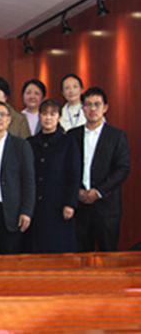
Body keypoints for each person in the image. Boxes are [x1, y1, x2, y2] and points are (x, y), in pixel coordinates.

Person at [67, 87, 130, 252]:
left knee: (108, 255)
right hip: (79, 206)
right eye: (88, 104)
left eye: (97, 104)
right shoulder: (72, 135)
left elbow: (122, 169)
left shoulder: (117, 136)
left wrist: (99, 191)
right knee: (80, 256)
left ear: (105, 108)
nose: (92, 109)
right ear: (83, 109)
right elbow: (66, 169)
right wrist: (77, 191)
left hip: (106, 207)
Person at [0, 101, 36, 255]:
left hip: (12, 212)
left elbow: (29, 181)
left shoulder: (21, 146)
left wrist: (26, 211)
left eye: (2, 115)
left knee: (10, 259)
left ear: (9, 119)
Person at [25, 99, 81, 254]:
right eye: (44, 114)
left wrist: (70, 203)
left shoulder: (68, 142)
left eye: (52, 114)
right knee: (35, 248)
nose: (48, 118)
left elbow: (74, 174)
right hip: (34, 205)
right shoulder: (30, 142)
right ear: (39, 117)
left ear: (59, 117)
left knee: (58, 248)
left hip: (59, 205)